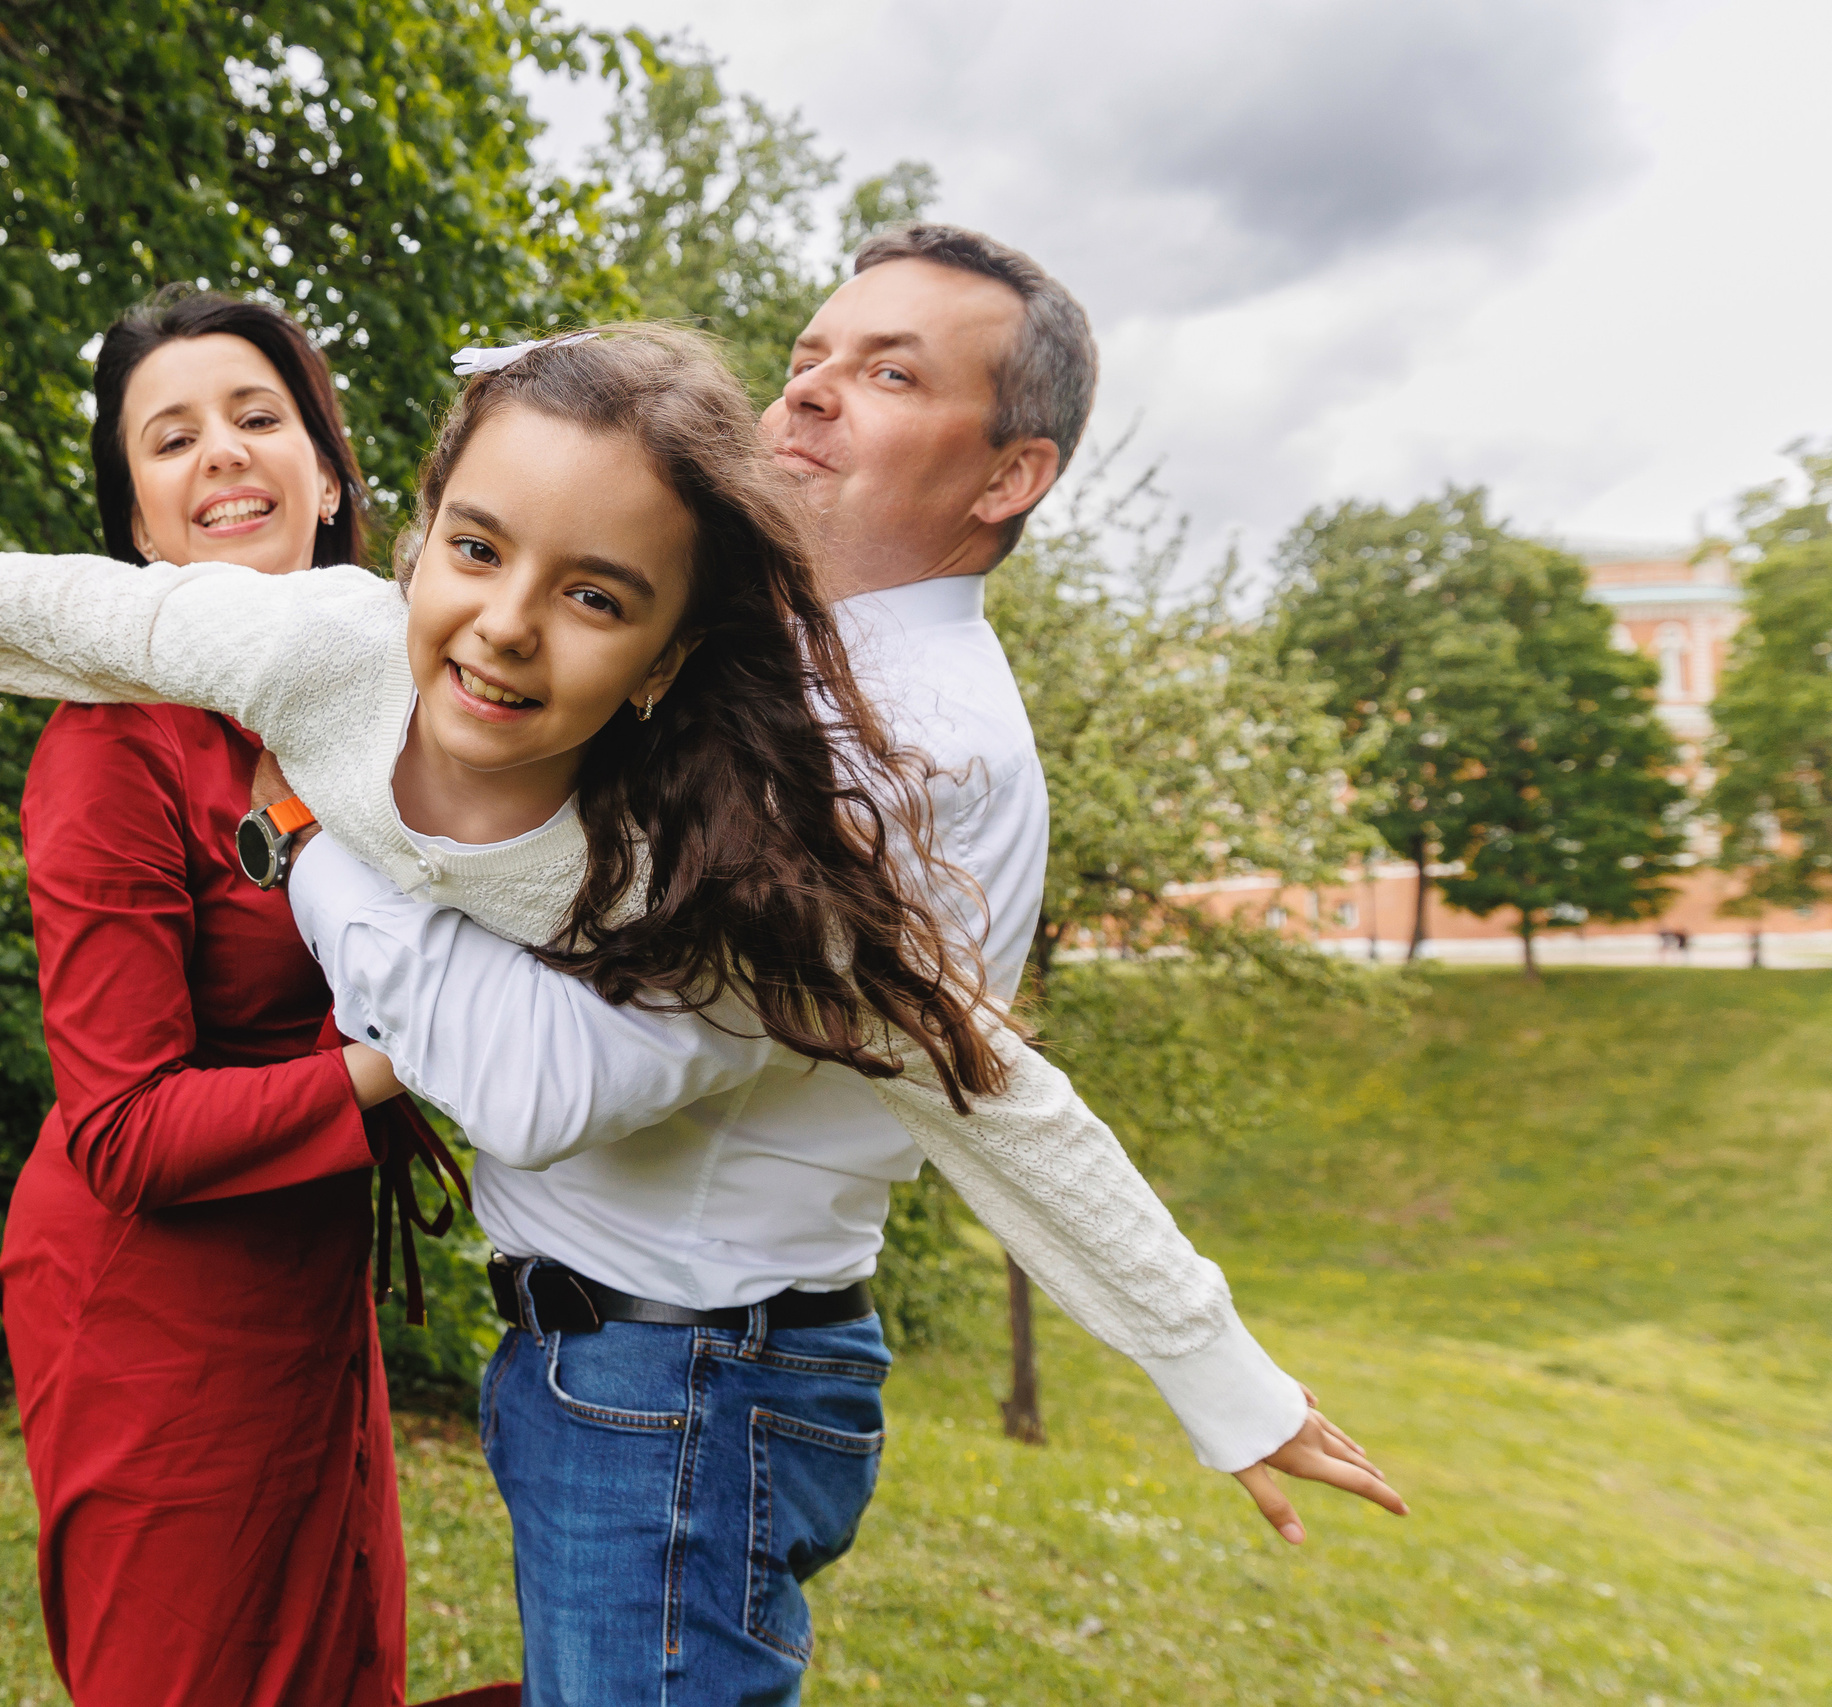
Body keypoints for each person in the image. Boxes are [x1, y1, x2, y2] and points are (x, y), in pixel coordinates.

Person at [0, 320, 1400, 1707]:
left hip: (565, 1327)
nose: (498, 632)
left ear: (661, 659)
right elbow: (59, 607)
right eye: (475, 549)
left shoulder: (701, 882)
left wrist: (1214, 1371)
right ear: (410, 535)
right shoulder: (317, 649)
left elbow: (989, 1091)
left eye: (593, 596)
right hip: (199, 1285)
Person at [255, 230, 1401, 1703]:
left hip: (682, 1386)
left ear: (1008, 478)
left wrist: (317, 831)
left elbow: (551, 1083)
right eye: (808, 356)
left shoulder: (893, 753)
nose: (805, 395)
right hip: (653, 1377)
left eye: (886, 373)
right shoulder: (775, 681)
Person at [0, 287, 453, 1707]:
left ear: (327, 477)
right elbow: (124, 1130)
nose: (222, 455)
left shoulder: (395, 716)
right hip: (155, 1312)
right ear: (138, 524)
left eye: (260, 418)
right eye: (171, 437)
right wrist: (412, 1056)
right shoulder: (115, 749)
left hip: (310, 1286)